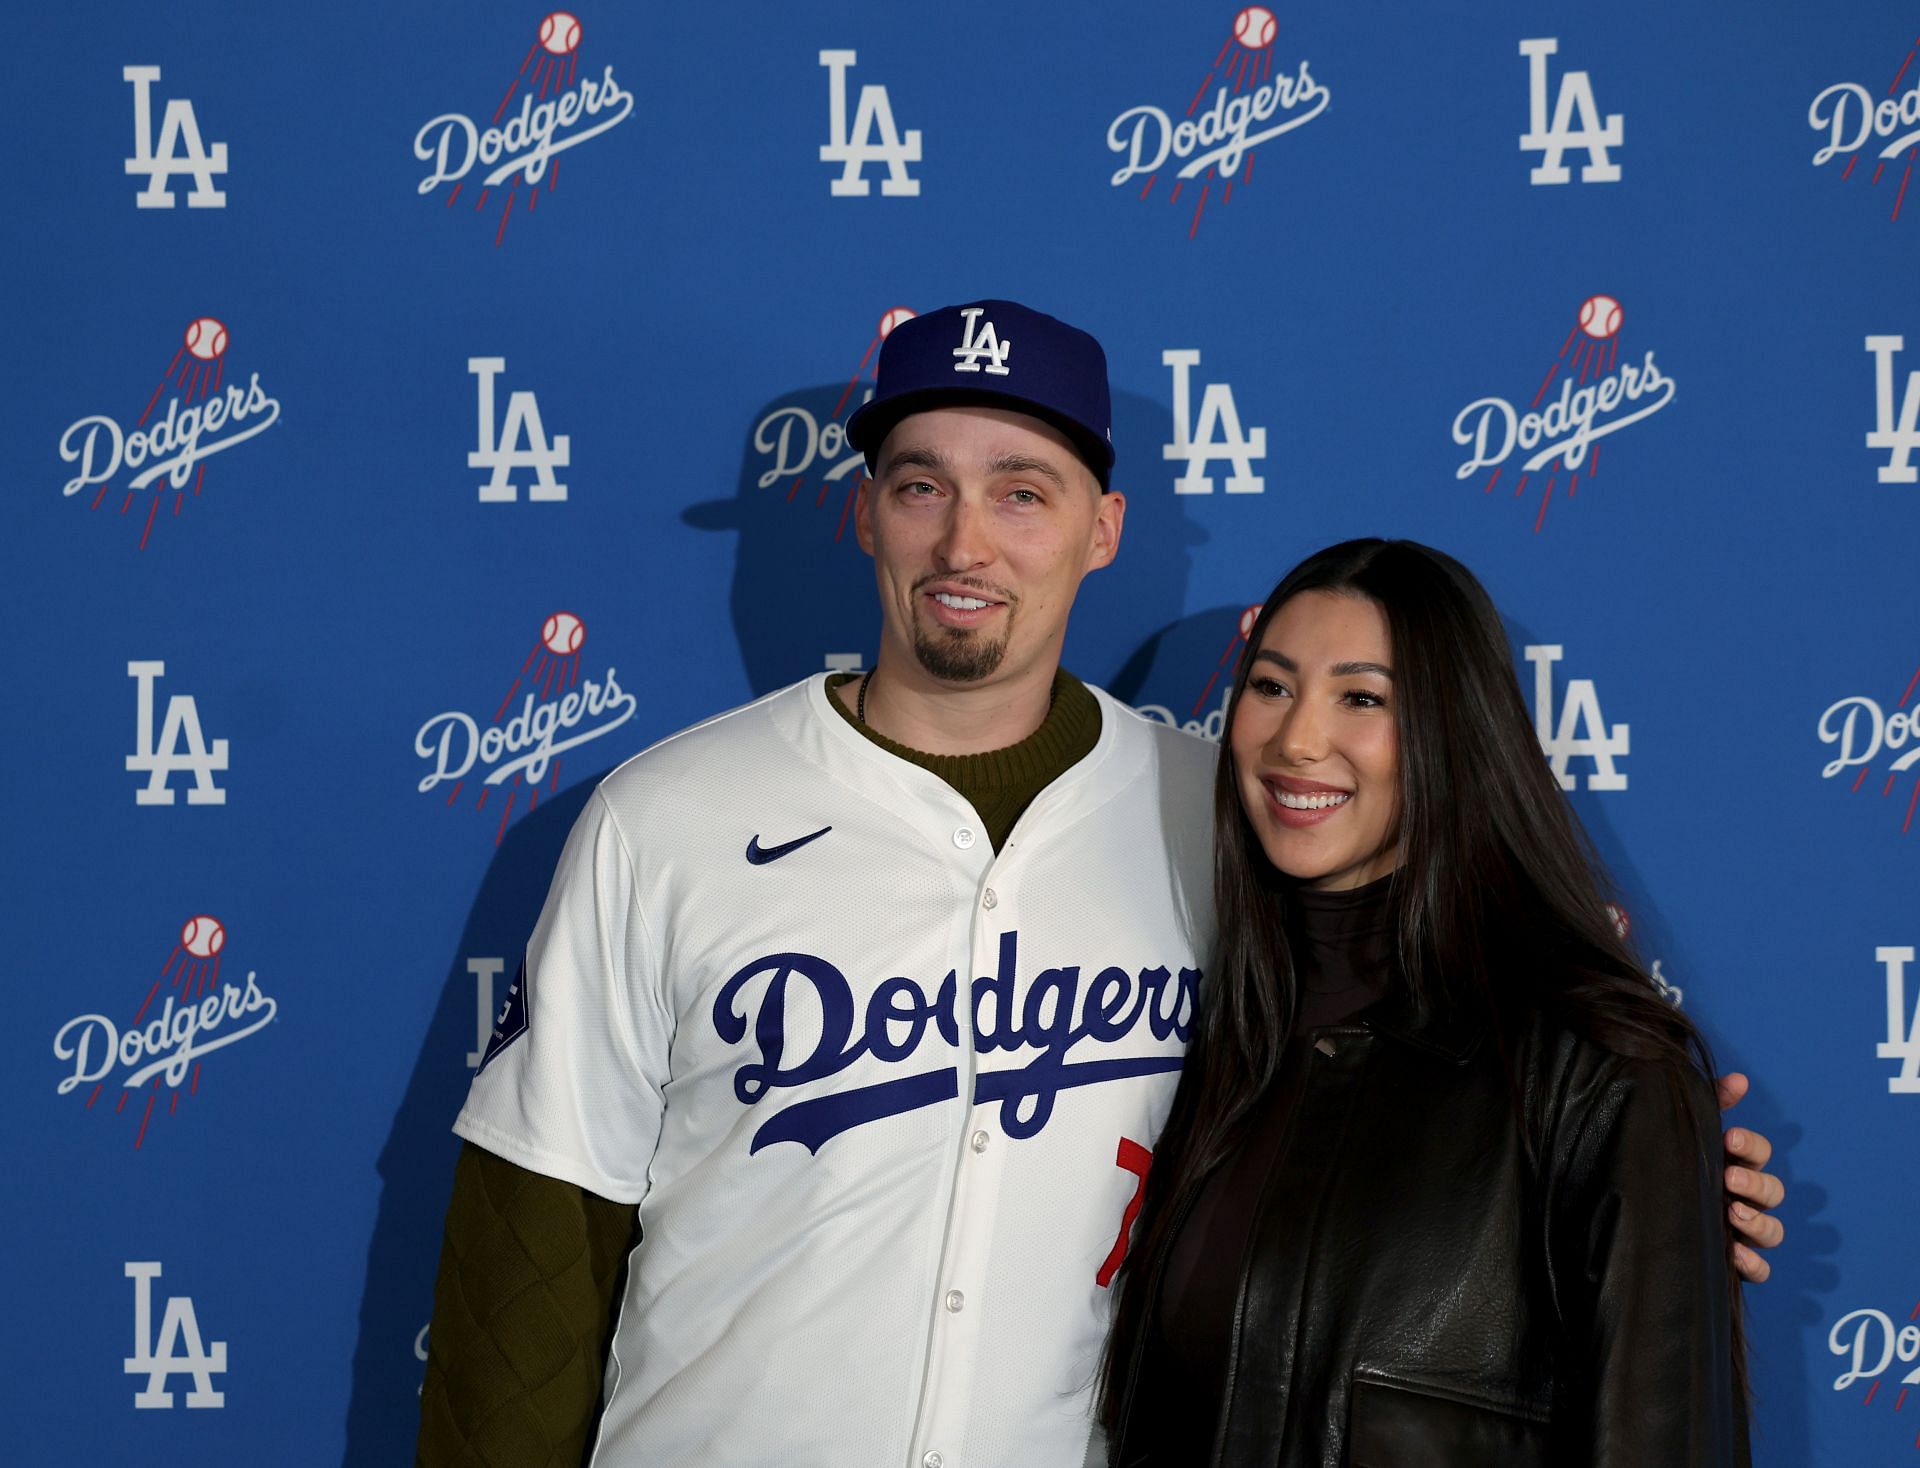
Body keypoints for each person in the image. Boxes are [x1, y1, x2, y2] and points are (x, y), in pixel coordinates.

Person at [416, 305, 1783, 1467]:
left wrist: (1640, 1170)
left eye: (1023, 490)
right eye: (919, 484)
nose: (967, 543)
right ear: (865, 514)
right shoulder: (667, 815)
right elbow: (531, 1259)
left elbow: (1407, 1061)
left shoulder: (1220, 812)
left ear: (1105, 528)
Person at [1100, 539, 1755, 1466]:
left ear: (1455, 728)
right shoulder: (1206, 1032)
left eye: (1362, 698)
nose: (1297, 740)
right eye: (1272, 686)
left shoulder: (1597, 1069)